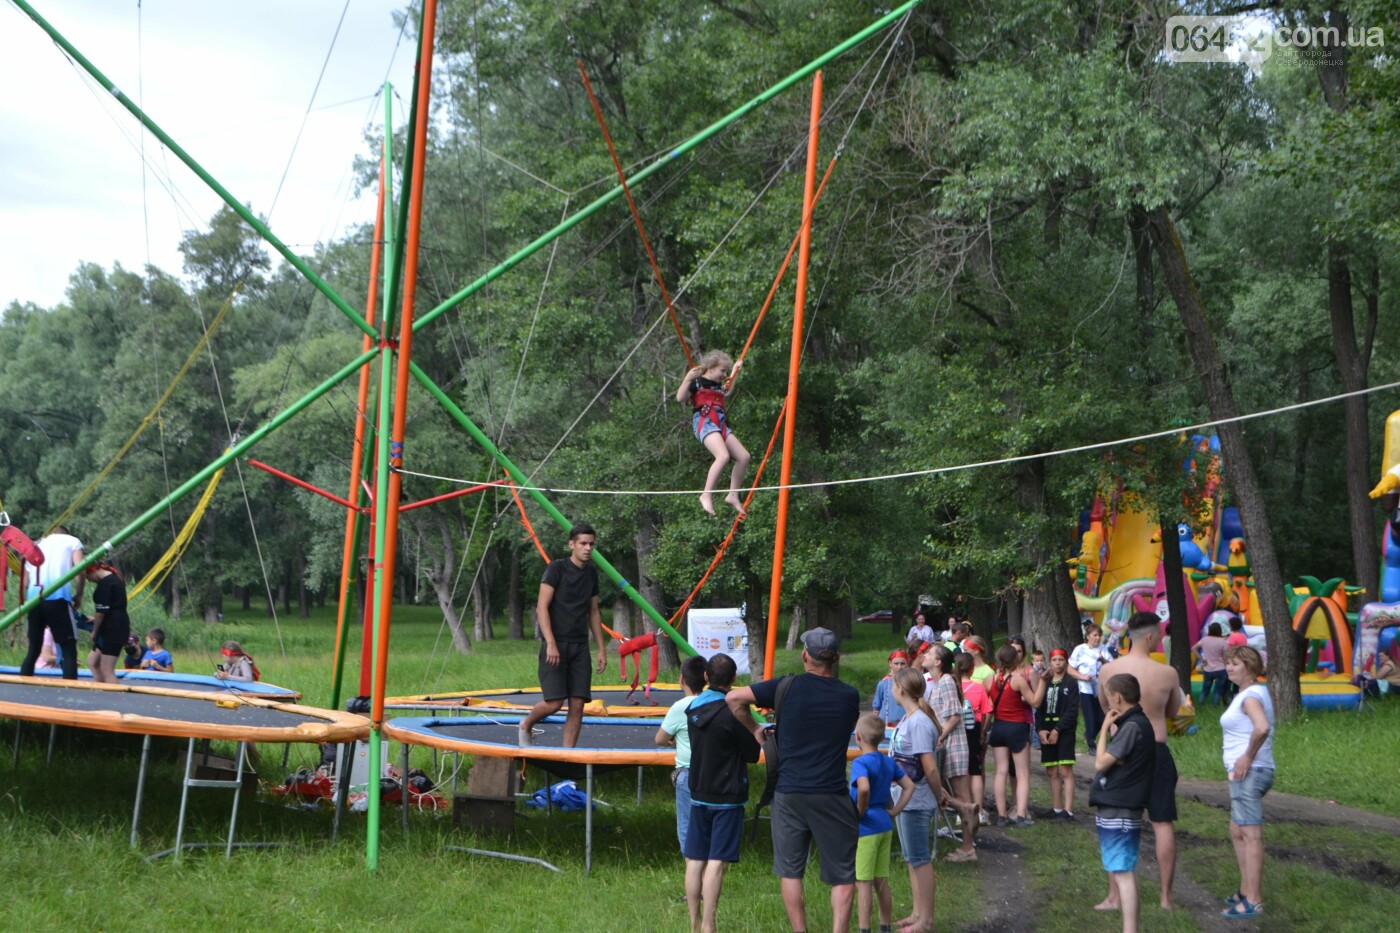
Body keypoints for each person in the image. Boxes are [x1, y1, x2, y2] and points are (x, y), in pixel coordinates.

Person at [726, 628, 861, 933]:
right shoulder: (849, 695)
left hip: (788, 792)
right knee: (842, 874)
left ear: (804, 656)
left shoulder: (785, 687)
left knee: (791, 871)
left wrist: (756, 728)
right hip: (832, 793)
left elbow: (733, 698)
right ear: (836, 659)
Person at [1097, 611, 1184, 910]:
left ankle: (1115, 895)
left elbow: (1104, 705)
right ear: (1149, 637)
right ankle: (1166, 898)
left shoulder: (1109, 670)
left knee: (1117, 820)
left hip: (1124, 749)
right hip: (1157, 749)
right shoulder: (1168, 673)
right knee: (1162, 822)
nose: (1160, 639)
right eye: (1158, 635)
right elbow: (1173, 711)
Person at [684, 653, 761, 933]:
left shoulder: (693, 708)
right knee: (717, 862)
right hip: (728, 794)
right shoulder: (733, 712)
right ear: (734, 680)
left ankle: (693, 923)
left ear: (705, 677)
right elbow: (752, 754)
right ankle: (709, 924)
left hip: (699, 789)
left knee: (695, 858)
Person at [517, 524, 608, 748]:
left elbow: (594, 612)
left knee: (578, 704)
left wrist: (602, 648)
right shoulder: (556, 569)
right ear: (572, 545)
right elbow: (541, 608)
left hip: (579, 647)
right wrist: (550, 643)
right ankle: (525, 724)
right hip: (555, 644)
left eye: (591, 544)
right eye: (583, 544)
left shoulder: (591, 574)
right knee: (555, 703)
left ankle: (568, 754)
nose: (588, 548)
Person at [1089, 673, 1156, 933]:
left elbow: (1100, 761)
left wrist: (1104, 728)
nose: (1105, 700)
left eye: (1107, 694)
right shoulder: (1134, 724)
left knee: (1123, 871)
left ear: (1116, 697)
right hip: (1119, 805)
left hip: (1121, 806)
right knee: (1122, 868)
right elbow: (1112, 759)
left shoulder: (1132, 727)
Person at [1220, 645, 1275, 919]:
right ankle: (1245, 890)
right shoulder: (1246, 693)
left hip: (1249, 773)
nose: (1230, 667)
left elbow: (1262, 727)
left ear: (1250, 667)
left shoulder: (1251, 696)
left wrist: (1247, 757)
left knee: (1251, 836)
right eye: (1228, 663)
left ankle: (1254, 900)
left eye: (1236, 663)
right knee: (1237, 829)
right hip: (1246, 773)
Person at [850, 713, 914, 933]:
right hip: (885, 824)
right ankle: (885, 926)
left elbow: (864, 788)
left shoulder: (860, 762)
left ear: (858, 737)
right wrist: (895, 810)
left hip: (866, 827)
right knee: (881, 881)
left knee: (864, 883)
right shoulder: (888, 761)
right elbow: (909, 786)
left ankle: (864, 929)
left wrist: (859, 811)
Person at [676, 350, 750, 516]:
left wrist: (735, 371)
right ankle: (706, 494)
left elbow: (727, 390)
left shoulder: (718, 385)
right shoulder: (697, 383)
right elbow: (680, 398)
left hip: (720, 424)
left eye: (725, 371)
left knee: (744, 457)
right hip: (705, 422)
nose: (724, 375)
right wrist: (688, 378)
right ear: (710, 368)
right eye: (722, 371)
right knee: (722, 456)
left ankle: (733, 495)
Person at [922, 645, 978, 861]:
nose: (925, 655)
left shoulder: (945, 681)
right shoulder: (938, 683)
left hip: (954, 746)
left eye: (929, 654)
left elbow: (955, 715)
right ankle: (964, 811)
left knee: (962, 795)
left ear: (938, 662)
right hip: (947, 746)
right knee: (942, 790)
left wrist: (940, 737)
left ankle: (967, 848)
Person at [985, 643, 1046, 826]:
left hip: (999, 726)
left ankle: (1002, 815)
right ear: (1015, 659)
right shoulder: (1018, 679)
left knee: (1001, 772)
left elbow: (988, 706)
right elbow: (1035, 702)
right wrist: (1043, 681)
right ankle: (1020, 815)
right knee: (1022, 774)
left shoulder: (990, 680)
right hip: (1017, 727)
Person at [658, 654, 709, 851]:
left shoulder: (680, 707)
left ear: (682, 679)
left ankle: (694, 871)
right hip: (713, 772)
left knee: (688, 831)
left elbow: (659, 738)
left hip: (688, 773)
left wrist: (673, 742)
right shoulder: (714, 703)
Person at [19, 527, 85, 680]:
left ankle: (24, 683)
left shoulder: (37, 545)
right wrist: (79, 594)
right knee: (68, 648)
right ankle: (70, 687)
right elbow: (81, 569)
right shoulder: (73, 541)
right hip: (58, 598)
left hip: (34, 600)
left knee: (34, 648)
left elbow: (25, 582)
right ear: (65, 533)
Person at [1036, 648, 1079, 819]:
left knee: (1065, 769)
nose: (1057, 663)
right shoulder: (1045, 683)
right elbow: (1038, 707)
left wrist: (1058, 729)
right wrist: (1040, 729)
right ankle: (1057, 808)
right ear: (1050, 662)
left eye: (1061, 660)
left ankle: (1068, 810)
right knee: (1051, 770)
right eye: (1054, 660)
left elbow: (1072, 710)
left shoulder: (1071, 683)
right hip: (1046, 730)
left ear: (1066, 662)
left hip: (1064, 731)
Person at [956, 651, 991, 827]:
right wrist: (983, 731)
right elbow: (987, 711)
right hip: (973, 731)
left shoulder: (952, 687)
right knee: (975, 771)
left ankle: (963, 809)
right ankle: (979, 810)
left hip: (956, 731)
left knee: (960, 772)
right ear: (971, 669)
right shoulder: (978, 688)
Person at [1068, 623, 1113, 752]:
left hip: (1101, 687)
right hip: (1085, 687)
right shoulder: (1080, 649)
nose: (1098, 638)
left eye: (1099, 635)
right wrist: (1081, 676)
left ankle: (1089, 735)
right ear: (1088, 636)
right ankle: (1091, 745)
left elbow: (1111, 666)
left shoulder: (1104, 649)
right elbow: (1070, 669)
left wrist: (1103, 660)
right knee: (1090, 716)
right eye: (1095, 635)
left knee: (1102, 716)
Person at [84, 562, 129, 685]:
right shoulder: (113, 579)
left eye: (87, 577)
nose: (89, 581)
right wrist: (96, 619)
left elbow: (101, 612)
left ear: (91, 572)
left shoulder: (106, 584)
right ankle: (101, 689)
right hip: (111, 624)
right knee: (93, 661)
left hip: (114, 628)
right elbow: (109, 608)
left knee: (107, 669)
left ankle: (114, 696)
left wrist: (94, 630)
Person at [1192, 621, 1230, 706]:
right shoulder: (1222, 642)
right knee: (1217, 691)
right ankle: (1215, 707)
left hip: (1207, 669)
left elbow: (1193, 648)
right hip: (1221, 669)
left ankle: (1200, 705)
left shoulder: (1204, 640)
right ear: (1220, 631)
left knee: (1205, 690)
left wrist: (1201, 659)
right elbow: (1226, 656)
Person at [872, 649, 909, 725]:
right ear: (890, 663)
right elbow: (876, 708)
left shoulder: (911, 682)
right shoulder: (884, 683)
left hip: (906, 723)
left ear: (907, 664)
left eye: (903, 663)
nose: (899, 667)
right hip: (886, 724)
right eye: (896, 663)